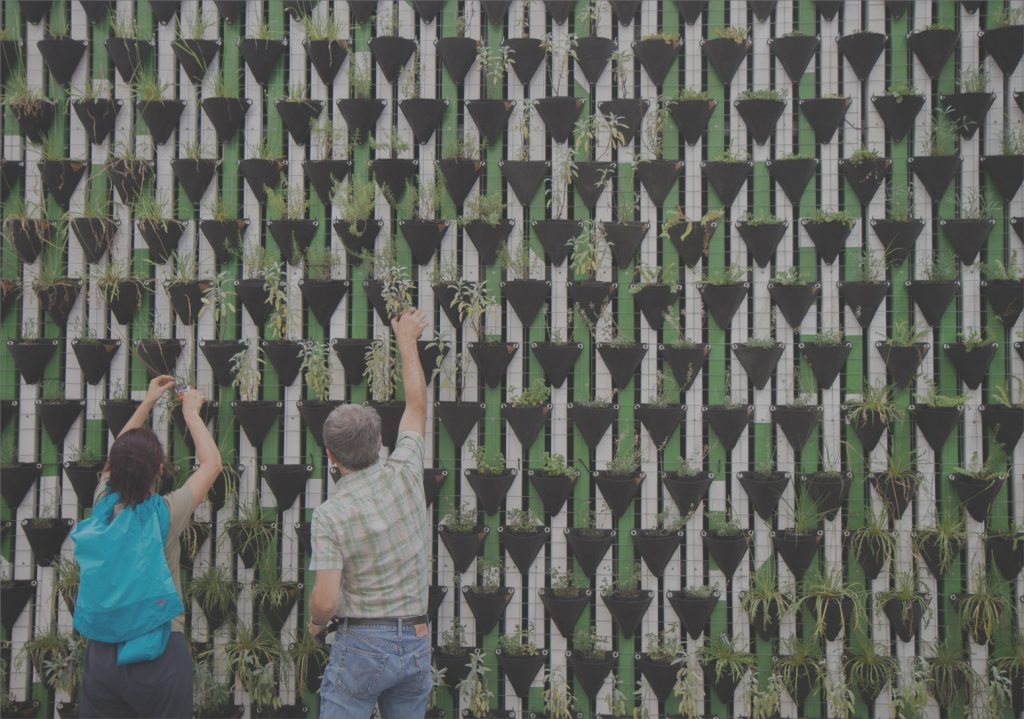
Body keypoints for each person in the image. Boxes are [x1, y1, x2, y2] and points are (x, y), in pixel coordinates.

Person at [307, 308, 432, 719]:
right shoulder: (406, 472)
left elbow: (325, 599)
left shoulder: (330, 515)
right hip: (415, 639)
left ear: (330, 454)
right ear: (380, 442)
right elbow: (416, 405)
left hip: (361, 643)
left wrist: (315, 625)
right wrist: (406, 343)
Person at [75, 376, 222, 719]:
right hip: (158, 652)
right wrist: (191, 413)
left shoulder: (102, 505)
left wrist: (147, 401)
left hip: (103, 653)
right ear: (159, 470)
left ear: (113, 470)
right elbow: (211, 464)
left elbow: (118, 456)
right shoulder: (165, 516)